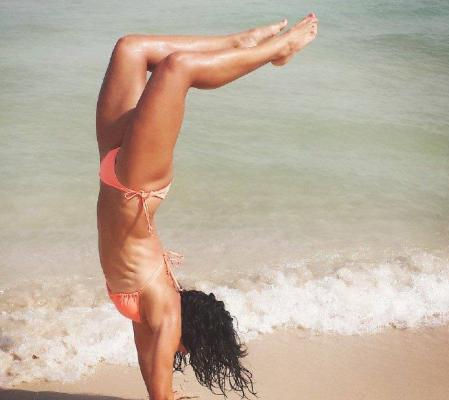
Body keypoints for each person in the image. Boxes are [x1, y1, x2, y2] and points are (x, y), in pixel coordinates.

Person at [96, 13, 318, 400]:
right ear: (190, 337)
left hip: (112, 172)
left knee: (130, 48)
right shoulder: (166, 313)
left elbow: (147, 359)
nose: (178, 354)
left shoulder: (149, 315)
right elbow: (159, 377)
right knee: (177, 69)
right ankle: (272, 49)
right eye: (185, 351)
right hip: (138, 184)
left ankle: (242, 43)